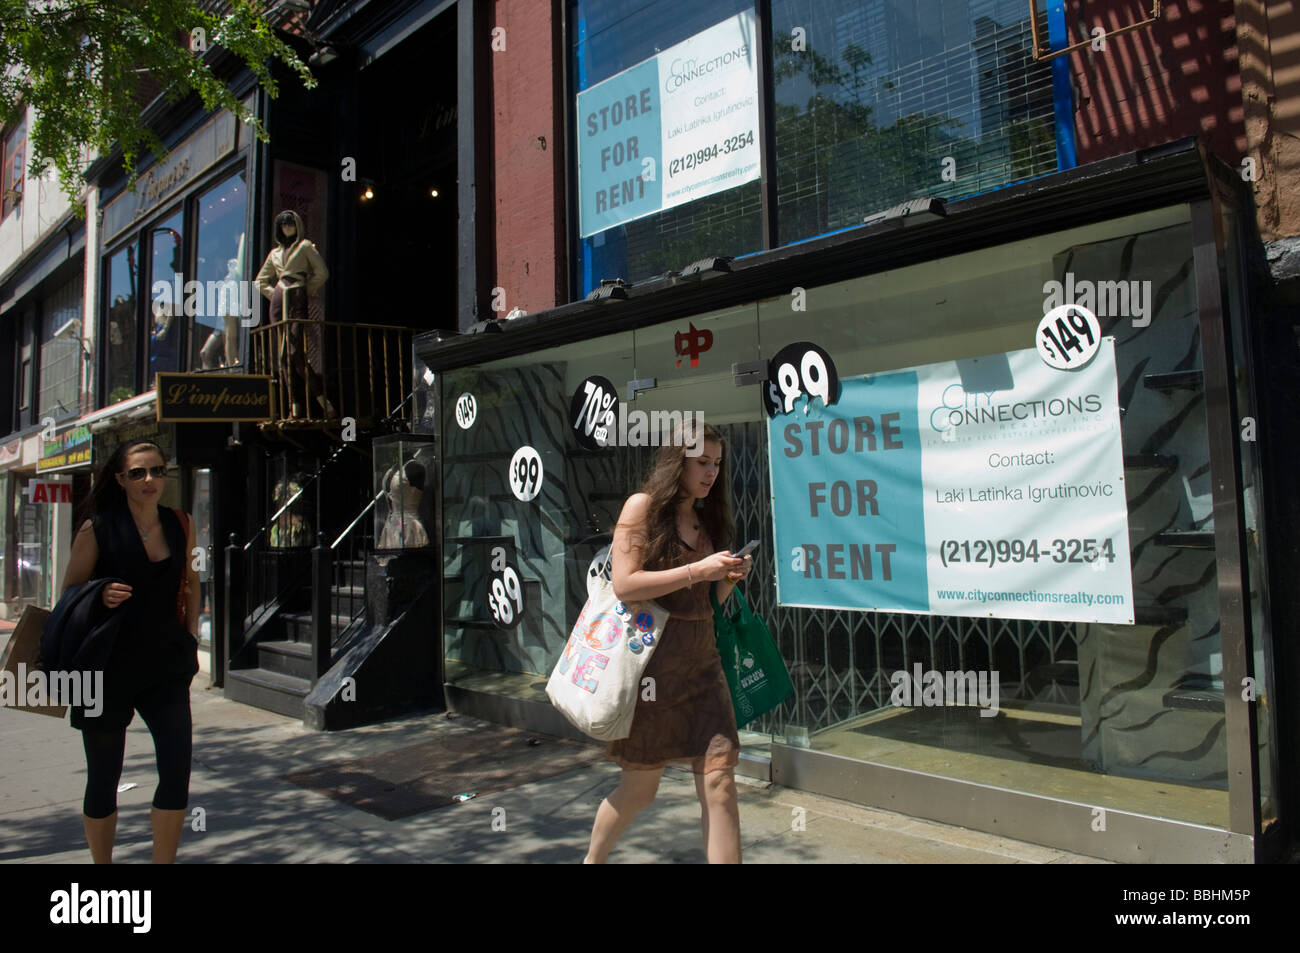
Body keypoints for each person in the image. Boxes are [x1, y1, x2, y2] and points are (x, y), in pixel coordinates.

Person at [585, 424, 752, 864]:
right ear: (677, 460)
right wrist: (701, 570)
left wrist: (728, 579)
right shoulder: (641, 508)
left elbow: (703, 602)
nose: (711, 473)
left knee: (720, 783)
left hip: (702, 666)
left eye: (717, 464)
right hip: (650, 674)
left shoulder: (707, 517)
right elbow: (624, 584)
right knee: (640, 789)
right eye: (702, 462)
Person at [61, 441, 201, 864]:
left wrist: (191, 638)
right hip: (106, 668)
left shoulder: (181, 523)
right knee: (104, 778)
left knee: (176, 773)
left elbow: (193, 583)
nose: (150, 481)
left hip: (165, 666)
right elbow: (68, 593)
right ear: (120, 479)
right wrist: (100, 593)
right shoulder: (97, 529)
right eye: (138, 473)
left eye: (157, 471)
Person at [255, 209, 332, 418]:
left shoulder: (305, 246)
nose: (287, 227)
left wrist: (306, 291)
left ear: (297, 225)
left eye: (290, 223)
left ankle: (320, 401)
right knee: (282, 357)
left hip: (297, 297)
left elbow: (322, 272)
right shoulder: (274, 253)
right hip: (280, 300)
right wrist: (275, 294)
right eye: (283, 224)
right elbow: (259, 281)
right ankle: (296, 404)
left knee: (293, 352)